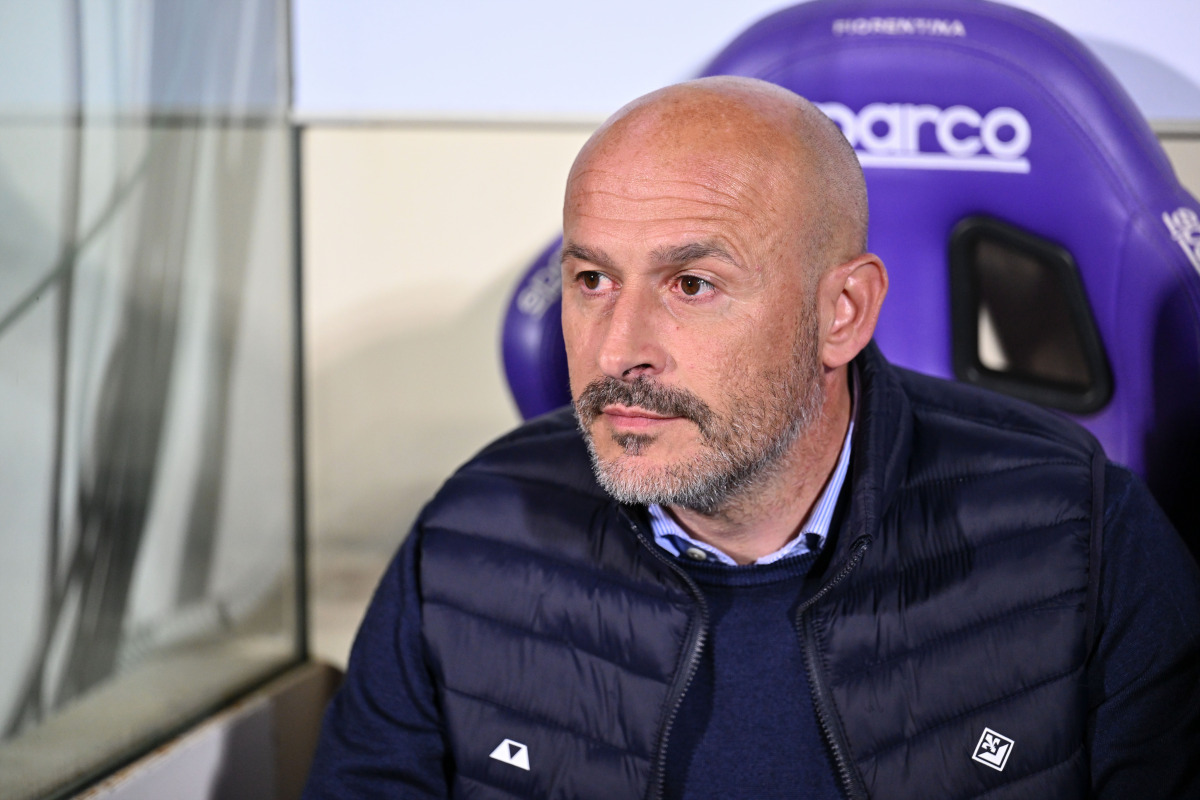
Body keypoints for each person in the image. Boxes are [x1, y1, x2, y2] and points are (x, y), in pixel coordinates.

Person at [303, 77, 1200, 799]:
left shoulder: (1082, 539)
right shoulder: (471, 538)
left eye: (692, 285)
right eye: (592, 280)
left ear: (842, 313)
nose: (617, 350)